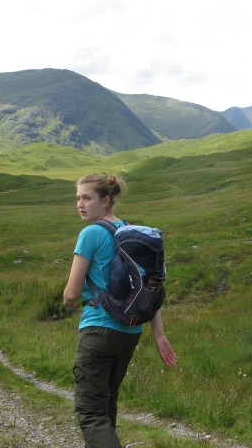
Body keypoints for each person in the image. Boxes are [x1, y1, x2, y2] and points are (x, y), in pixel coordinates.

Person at [63, 173, 177, 448]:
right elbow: (148, 287)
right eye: (78, 198)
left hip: (98, 330)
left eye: (87, 198)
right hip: (130, 332)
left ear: (105, 200)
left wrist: (68, 301)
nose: (80, 204)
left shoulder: (90, 233)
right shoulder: (131, 233)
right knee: (106, 406)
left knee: (90, 412)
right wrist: (159, 336)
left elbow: (72, 293)